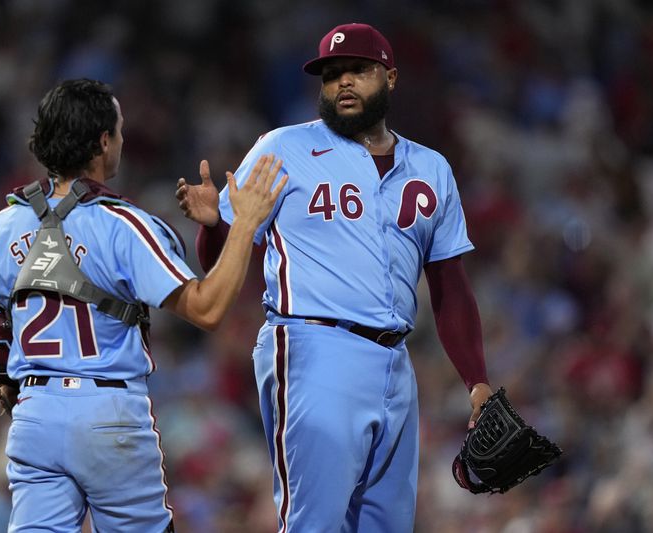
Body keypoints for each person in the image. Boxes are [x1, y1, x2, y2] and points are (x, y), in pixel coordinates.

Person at [0, 78, 287, 532]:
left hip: (34, 413)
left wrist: (6, 367)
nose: (123, 138)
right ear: (102, 141)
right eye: (118, 129)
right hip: (107, 414)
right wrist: (244, 224)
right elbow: (208, 310)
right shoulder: (123, 223)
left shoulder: (5, 224)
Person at [175, 23, 493, 532]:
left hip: (395, 363)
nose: (343, 82)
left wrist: (476, 381)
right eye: (331, 74)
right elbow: (222, 259)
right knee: (314, 524)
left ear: (389, 77)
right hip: (312, 346)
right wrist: (215, 226)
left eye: (358, 71)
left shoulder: (431, 169)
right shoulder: (283, 148)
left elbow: (450, 285)